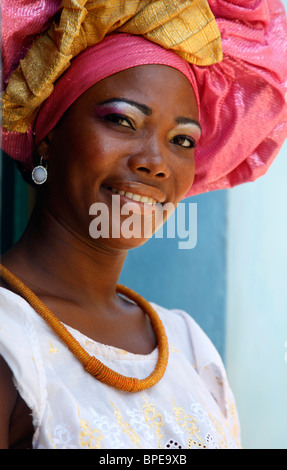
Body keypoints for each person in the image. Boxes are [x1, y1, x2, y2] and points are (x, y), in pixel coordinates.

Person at [0, 0, 286, 450]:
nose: (156, 163)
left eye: (182, 140)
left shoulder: (189, 347)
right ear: (49, 130)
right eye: (122, 120)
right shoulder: (9, 337)